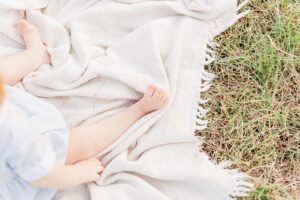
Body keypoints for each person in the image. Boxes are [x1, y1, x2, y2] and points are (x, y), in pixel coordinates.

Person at [0, 20, 169, 200]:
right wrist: (79, 173)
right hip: (21, 171)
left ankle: (34, 56)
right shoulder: (15, 135)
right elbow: (46, 176)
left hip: (14, 123)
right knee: (78, 145)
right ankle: (139, 110)